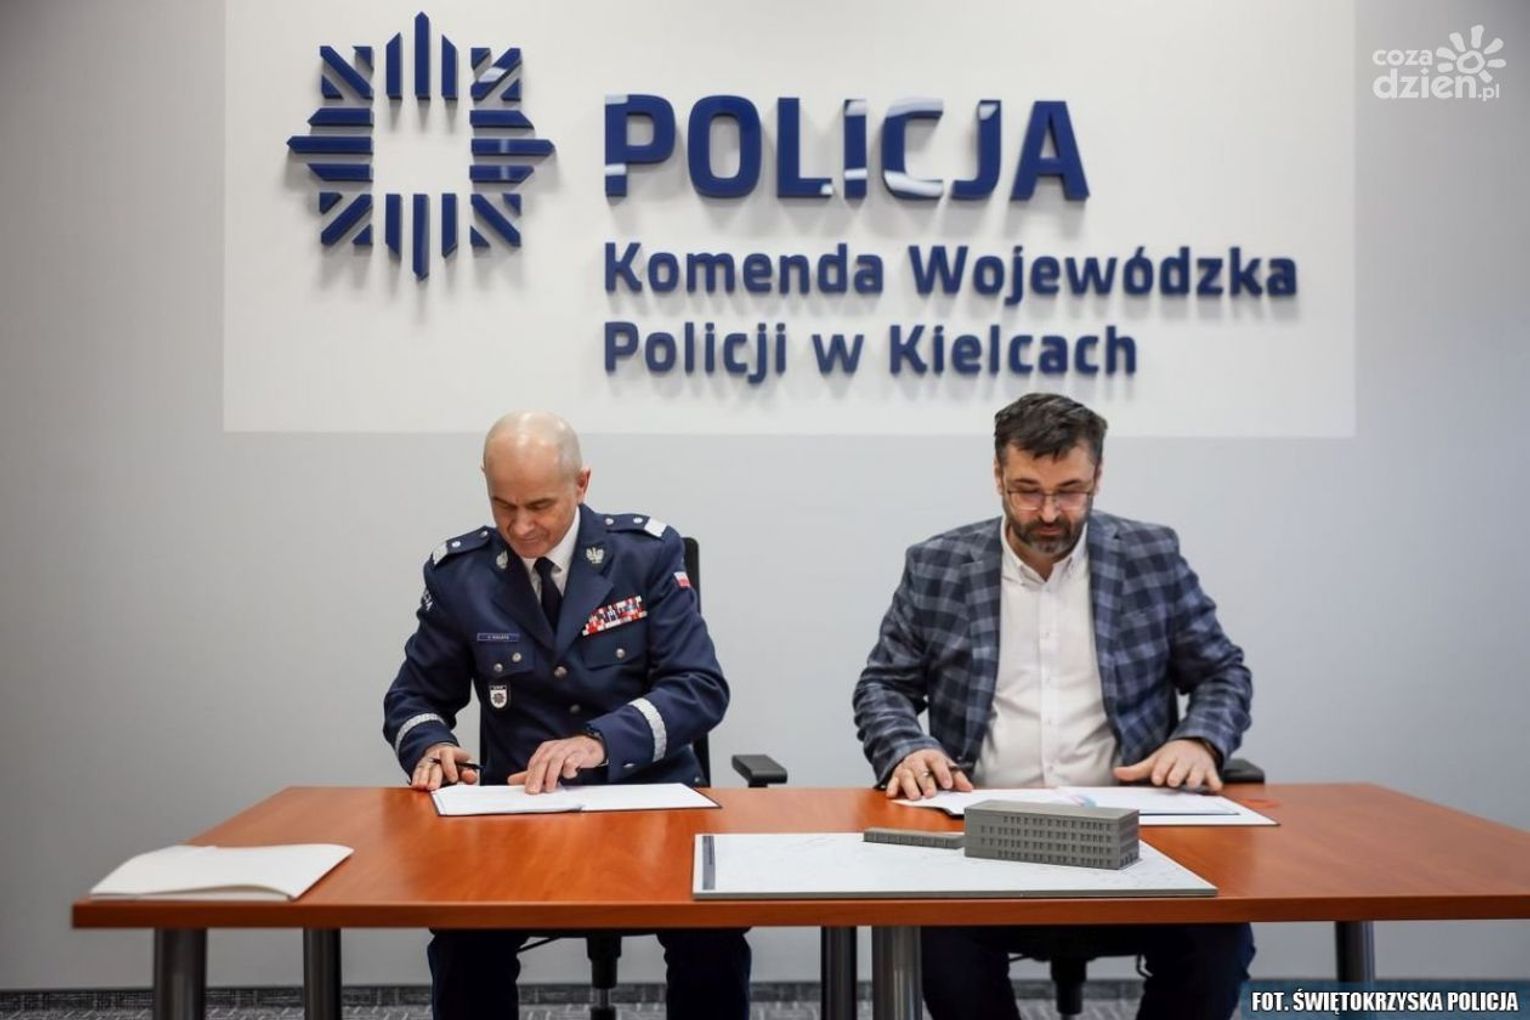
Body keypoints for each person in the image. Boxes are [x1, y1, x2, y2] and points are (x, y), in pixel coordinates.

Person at [852, 393, 1255, 1020]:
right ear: (997, 476)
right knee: (941, 944)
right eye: (1027, 491)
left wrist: (1198, 740)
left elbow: (1222, 672)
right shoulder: (937, 565)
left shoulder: (1150, 556)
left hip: (1133, 834)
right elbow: (882, 686)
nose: (1047, 513)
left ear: (1098, 475)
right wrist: (908, 748)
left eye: (1069, 492)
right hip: (981, 836)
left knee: (1217, 941)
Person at [383, 410, 750, 1020]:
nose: (521, 526)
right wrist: (430, 746)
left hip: (650, 802)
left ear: (581, 484)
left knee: (712, 937)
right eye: (503, 505)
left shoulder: (645, 556)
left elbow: (699, 687)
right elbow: (413, 698)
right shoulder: (461, 575)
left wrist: (600, 742)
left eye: (540, 506)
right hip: (518, 812)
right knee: (463, 937)